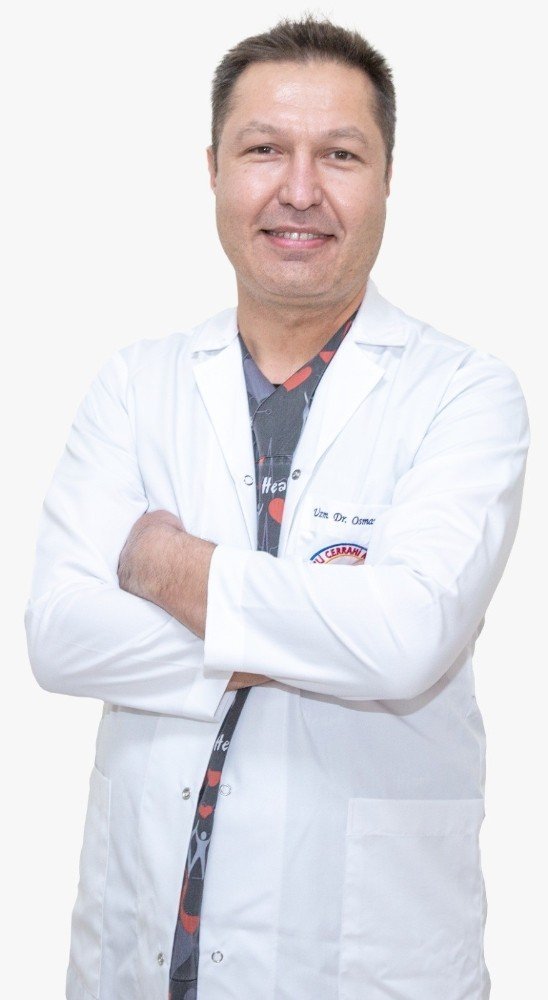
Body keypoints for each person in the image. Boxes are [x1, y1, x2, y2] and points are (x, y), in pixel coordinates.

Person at [25, 14, 529, 1000]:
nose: (299, 190)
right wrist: (324, 635)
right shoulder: (134, 386)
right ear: (213, 169)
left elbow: (404, 640)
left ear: (388, 177)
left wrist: (163, 566)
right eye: (263, 150)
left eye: (339, 154)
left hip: (361, 964)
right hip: (139, 954)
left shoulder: (464, 395)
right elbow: (60, 637)